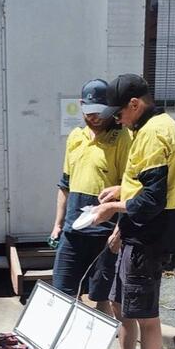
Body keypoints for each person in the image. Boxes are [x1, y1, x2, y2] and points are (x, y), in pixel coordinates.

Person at [92, 73, 175, 349]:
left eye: (118, 113)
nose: (116, 120)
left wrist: (112, 208)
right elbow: (146, 185)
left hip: (149, 236)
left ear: (134, 105)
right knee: (122, 305)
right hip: (137, 232)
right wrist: (122, 191)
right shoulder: (148, 129)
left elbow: (152, 200)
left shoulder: (153, 134)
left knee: (145, 314)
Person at [51, 79, 132, 311]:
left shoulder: (122, 139)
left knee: (102, 295)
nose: (95, 117)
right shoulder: (76, 138)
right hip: (73, 230)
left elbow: (132, 188)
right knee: (62, 289)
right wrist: (57, 225)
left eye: (101, 112)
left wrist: (119, 232)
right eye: (89, 112)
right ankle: (67, 341)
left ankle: (100, 344)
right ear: (80, 105)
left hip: (105, 233)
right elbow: (64, 185)